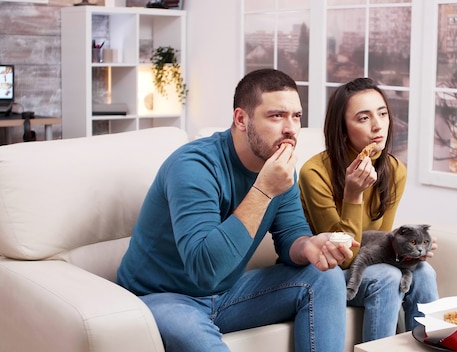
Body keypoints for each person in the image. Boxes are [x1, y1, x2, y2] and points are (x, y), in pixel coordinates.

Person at [117, 69, 355, 352]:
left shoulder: (279, 169)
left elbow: (291, 234)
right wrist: (264, 189)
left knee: (324, 277)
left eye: (297, 116)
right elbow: (204, 270)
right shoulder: (194, 167)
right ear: (241, 119)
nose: (291, 128)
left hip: (228, 292)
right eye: (277, 115)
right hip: (163, 296)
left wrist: (308, 246)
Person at [298, 77, 439, 342]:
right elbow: (345, 257)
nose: (378, 125)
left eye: (383, 113)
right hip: (325, 274)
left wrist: (408, 250)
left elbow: (383, 243)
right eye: (363, 118)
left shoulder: (395, 170)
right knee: (386, 276)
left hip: (368, 263)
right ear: (342, 128)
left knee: (424, 272)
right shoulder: (314, 173)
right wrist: (353, 195)